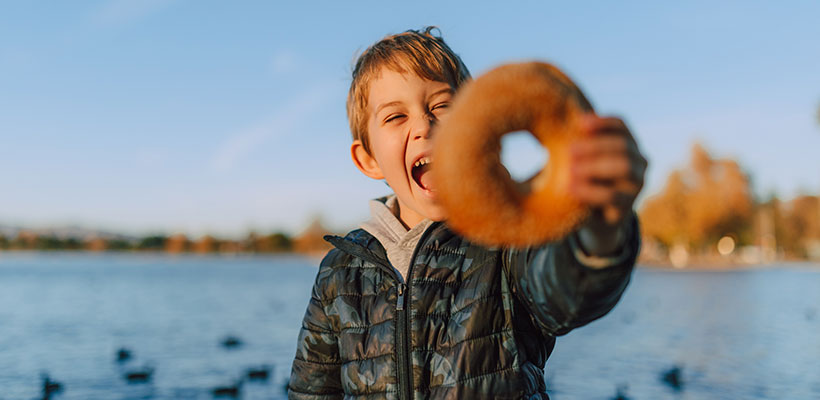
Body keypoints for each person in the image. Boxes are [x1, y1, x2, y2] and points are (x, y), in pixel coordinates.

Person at [288, 27, 647, 400]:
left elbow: (567, 295)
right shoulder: (339, 272)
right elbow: (310, 392)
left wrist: (601, 227)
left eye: (442, 107)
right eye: (396, 117)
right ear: (369, 159)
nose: (424, 126)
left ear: (476, 124)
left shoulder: (509, 241)